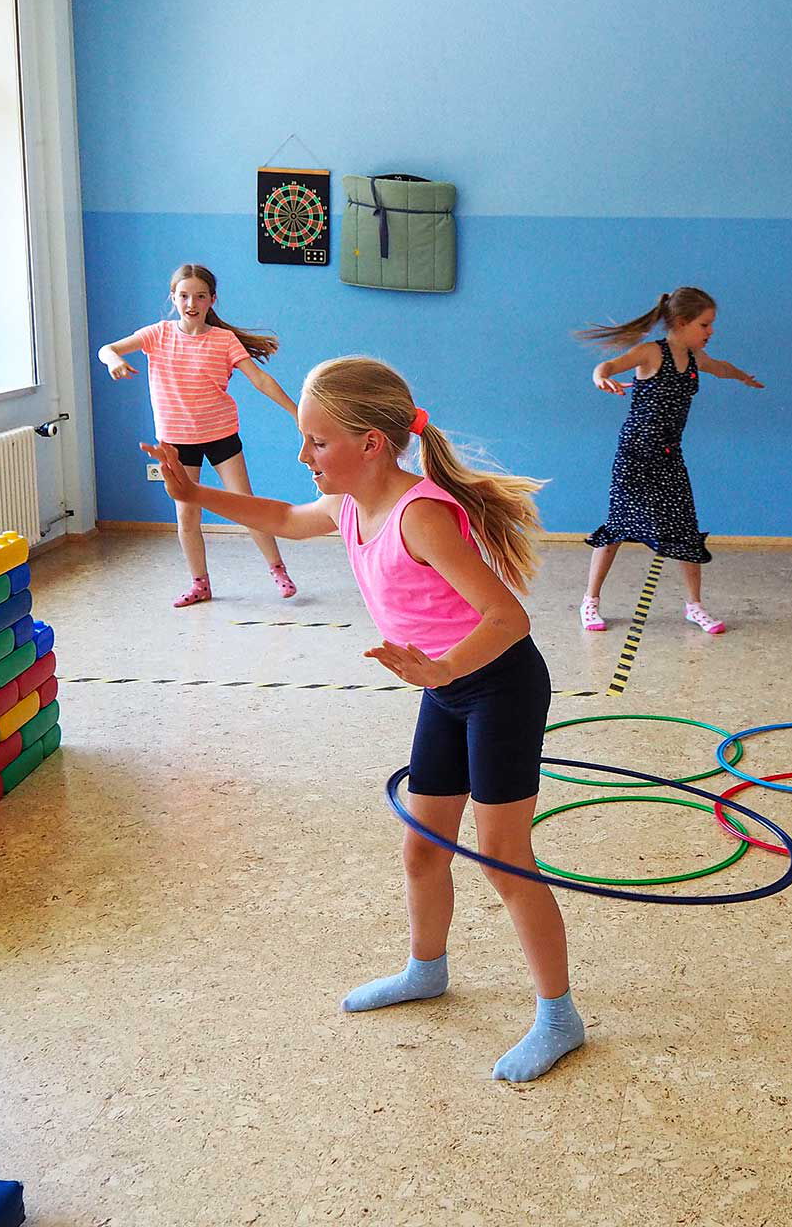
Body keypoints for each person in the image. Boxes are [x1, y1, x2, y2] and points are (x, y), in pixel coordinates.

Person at [140, 355, 582, 1083]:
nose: (302, 455)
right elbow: (281, 517)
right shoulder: (350, 505)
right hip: (445, 686)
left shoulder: (422, 515)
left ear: (371, 444)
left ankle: (559, 1015)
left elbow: (509, 617)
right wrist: (197, 491)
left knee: (504, 858)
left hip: (497, 684)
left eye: (317, 441)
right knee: (421, 848)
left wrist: (444, 669)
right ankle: (425, 969)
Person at [98, 263, 299, 606]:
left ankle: (278, 569)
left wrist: (298, 414)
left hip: (220, 434)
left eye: (200, 296)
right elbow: (108, 349)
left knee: (246, 505)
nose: (192, 303)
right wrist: (113, 360)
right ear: (173, 298)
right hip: (176, 442)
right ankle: (200, 584)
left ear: (212, 300)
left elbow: (260, 380)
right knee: (187, 514)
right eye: (184, 295)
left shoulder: (223, 340)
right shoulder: (157, 334)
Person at [577, 287, 763, 634]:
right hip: (635, 454)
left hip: (668, 456)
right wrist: (601, 377)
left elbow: (720, 368)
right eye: (705, 325)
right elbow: (609, 365)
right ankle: (590, 602)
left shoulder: (695, 359)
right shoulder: (651, 353)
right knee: (617, 526)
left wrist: (741, 376)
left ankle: (694, 606)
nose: (711, 332)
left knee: (685, 529)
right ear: (681, 322)